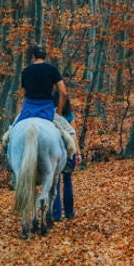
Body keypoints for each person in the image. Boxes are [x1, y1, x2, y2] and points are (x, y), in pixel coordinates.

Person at [52, 92, 81, 221]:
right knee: (68, 181)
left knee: (56, 183)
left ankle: (56, 214)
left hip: (55, 153)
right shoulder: (69, 116)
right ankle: (69, 212)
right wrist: (78, 153)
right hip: (69, 152)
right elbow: (73, 136)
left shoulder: (51, 116)